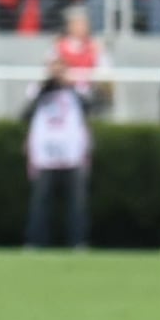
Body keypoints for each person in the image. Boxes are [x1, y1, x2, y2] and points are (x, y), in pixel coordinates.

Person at [23, 67, 95, 251]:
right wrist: (45, 89)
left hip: (72, 153)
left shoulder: (77, 91)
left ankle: (77, 241)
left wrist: (70, 86)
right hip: (45, 154)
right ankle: (36, 241)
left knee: (77, 202)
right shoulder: (39, 91)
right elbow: (25, 115)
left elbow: (92, 107)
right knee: (41, 200)